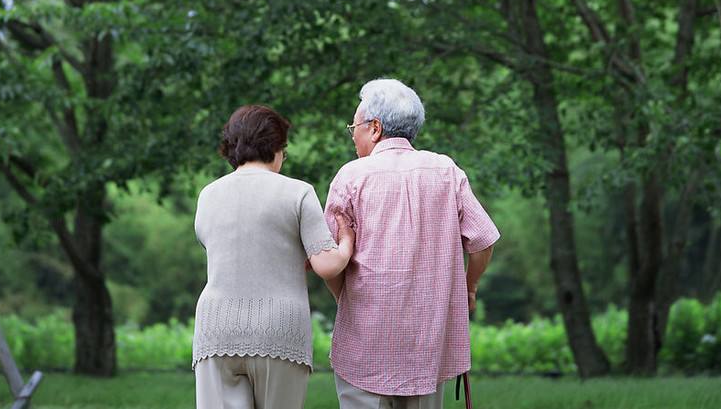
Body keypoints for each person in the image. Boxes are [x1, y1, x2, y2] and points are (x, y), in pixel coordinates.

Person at [324, 79, 500, 409]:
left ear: (374, 128)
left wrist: (343, 298)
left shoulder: (351, 176)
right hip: (428, 347)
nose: (352, 134)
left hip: (365, 343)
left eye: (354, 126)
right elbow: (482, 243)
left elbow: (328, 259)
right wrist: (469, 288)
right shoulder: (447, 171)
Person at [193, 104, 354, 409]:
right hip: (279, 332)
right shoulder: (298, 192)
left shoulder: (208, 195)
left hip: (216, 331)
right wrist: (345, 241)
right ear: (277, 147)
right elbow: (327, 265)